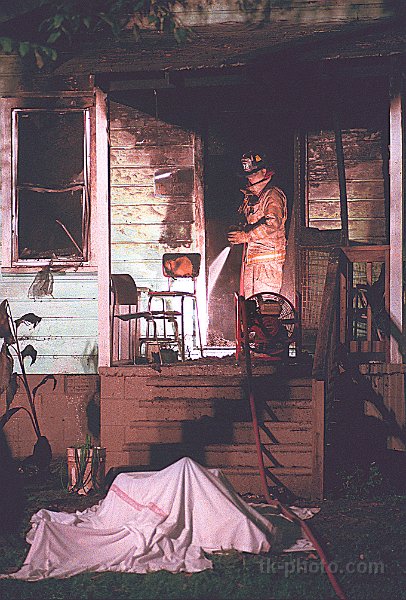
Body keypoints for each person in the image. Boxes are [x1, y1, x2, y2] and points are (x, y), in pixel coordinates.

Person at [228, 151, 287, 298]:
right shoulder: (252, 196)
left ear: (264, 172)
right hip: (254, 262)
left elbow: (272, 224)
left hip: (268, 264)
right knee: (250, 306)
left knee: (266, 308)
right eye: (248, 176)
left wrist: (246, 236)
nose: (250, 179)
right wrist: (241, 230)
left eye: (253, 174)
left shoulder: (272, 195)